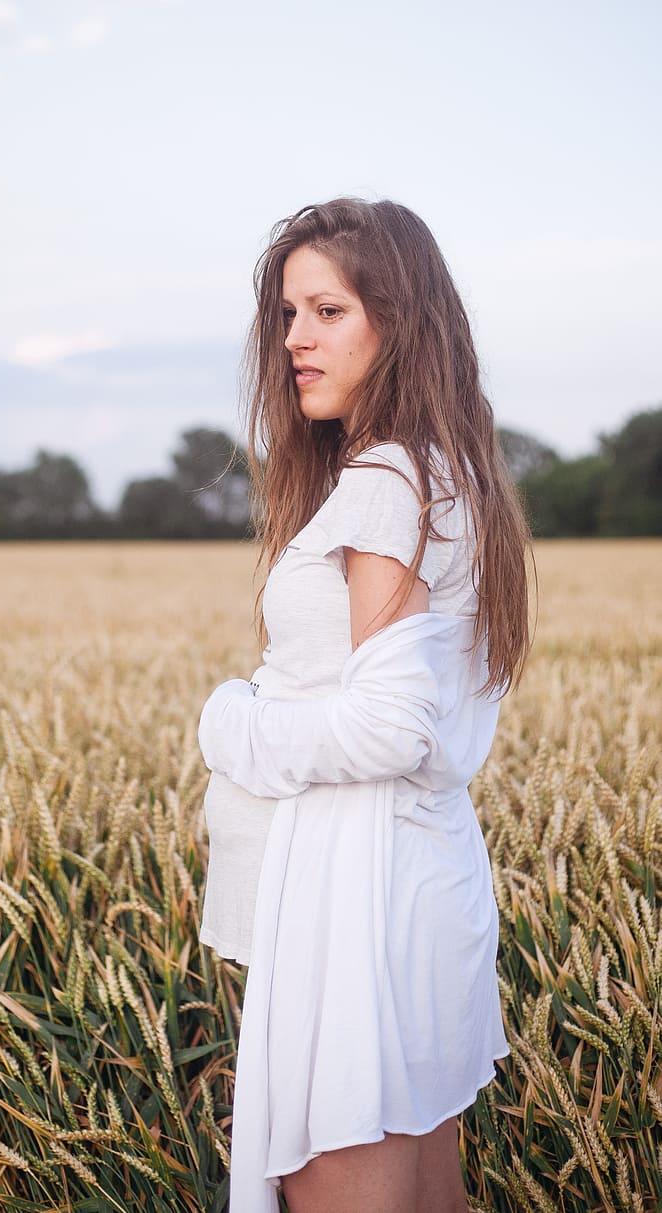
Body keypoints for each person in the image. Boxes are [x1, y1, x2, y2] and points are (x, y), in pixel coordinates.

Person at [196, 197, 531, 1213]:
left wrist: (231, 723)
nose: (294, 338)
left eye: (327, 310)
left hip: (351, 904)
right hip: (407, 880)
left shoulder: (387, 481)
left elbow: (392, 726)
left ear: (400, 320)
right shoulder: (443, 472)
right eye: (288, 313)